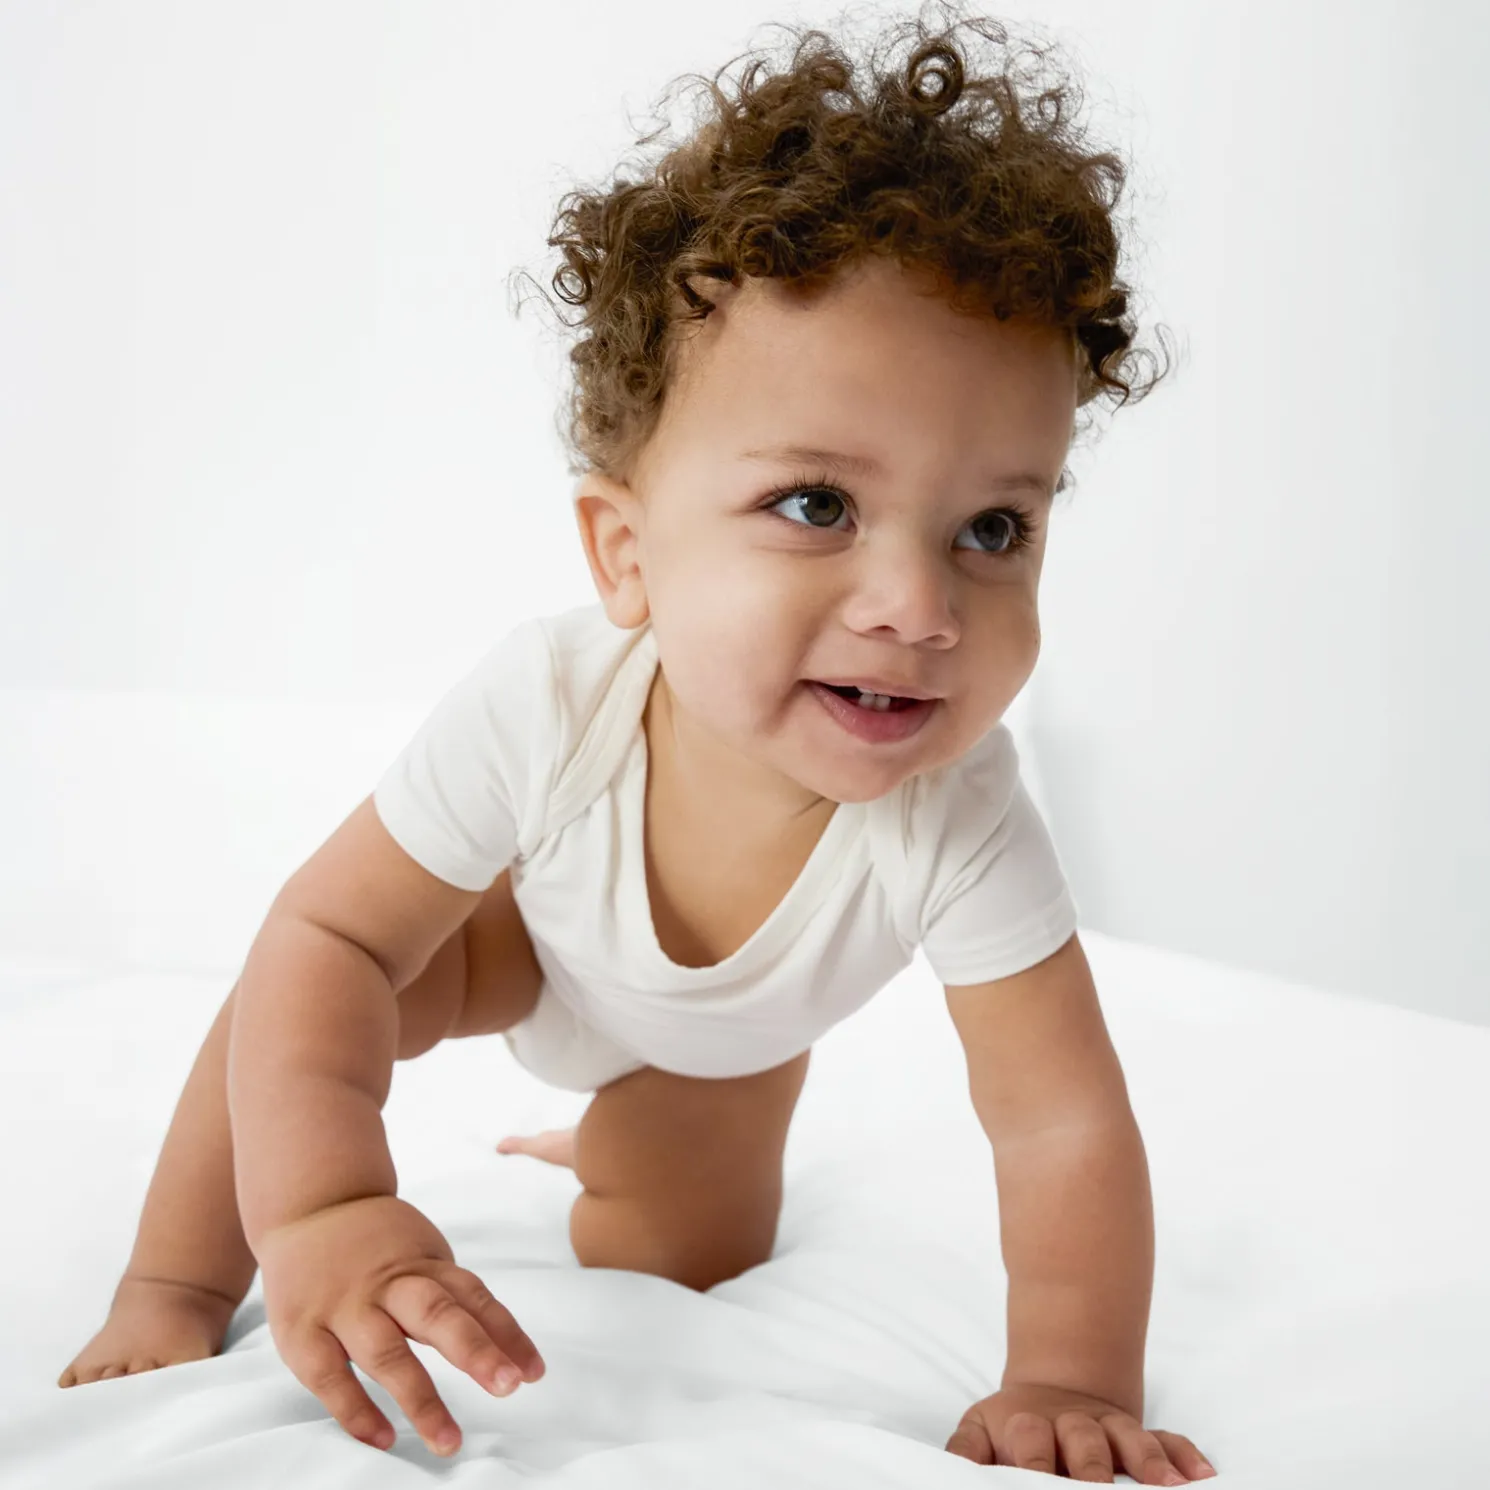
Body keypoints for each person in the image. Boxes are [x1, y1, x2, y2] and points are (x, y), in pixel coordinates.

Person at [59, 4, 1215, 1480]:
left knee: (681, 1259)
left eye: (993, 526)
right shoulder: (549, 701)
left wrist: (1068, 1372)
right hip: (511, 943)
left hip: (718, 1058)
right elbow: (329, 933)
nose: (918, 607)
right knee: (306, 1008)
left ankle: (602, 1148)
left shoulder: (961, 810)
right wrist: (328, 1202)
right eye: (815, 503)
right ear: (626, 552)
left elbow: (1056, 1121)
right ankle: (172, 1270)